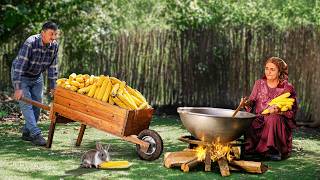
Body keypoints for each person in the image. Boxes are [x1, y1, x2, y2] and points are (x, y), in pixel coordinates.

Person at [11, 21, 59, 146]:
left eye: (55, 34)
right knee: (26, 104)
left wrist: (53, 86)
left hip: (37, 76)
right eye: (51, 34)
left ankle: (27, 132)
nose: (53, 37)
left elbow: (53, 67)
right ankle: (36, 134)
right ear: (43, 33)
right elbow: (20, 66)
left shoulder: (54, 46)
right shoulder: (30, 43)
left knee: (37, 104)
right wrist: (18, 87)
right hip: (22, 75)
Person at [241, 57, 297, 161]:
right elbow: (252, 101)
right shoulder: (259, 83)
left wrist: (278, 111)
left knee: (272, 118)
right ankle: (252, 150)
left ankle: (273, 150)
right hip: (259, 117)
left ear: (280, 71)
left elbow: (292, 111)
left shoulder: (287, 87)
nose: (268, 72)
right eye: (267, 68)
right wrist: (246, 102)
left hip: (276, 120)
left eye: (272, 69)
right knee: (249, 120)